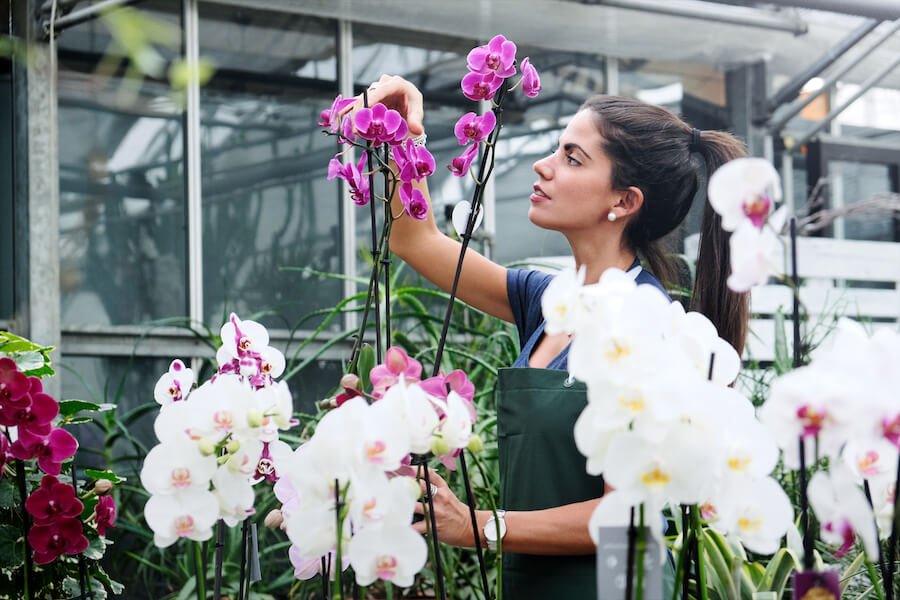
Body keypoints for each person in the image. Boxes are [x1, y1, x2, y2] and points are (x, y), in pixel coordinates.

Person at [352, 75, 750, 598]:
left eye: (572, 157)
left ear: (624, 200)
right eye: (554, 150)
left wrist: (479, 524)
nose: (543, 166)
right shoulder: (547, 299)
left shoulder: (649, 324)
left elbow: (629, 516)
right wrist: (406, 136)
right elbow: (417, 241)